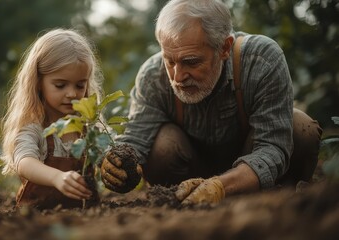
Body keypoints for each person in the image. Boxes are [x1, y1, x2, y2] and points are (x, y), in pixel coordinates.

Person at [100, 0, 322, 205]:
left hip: (252, 176)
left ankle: (280, 200)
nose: (177, 77)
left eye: (191, 62)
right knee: (161, 144)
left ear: (224, 48)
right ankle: (179, 200)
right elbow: (136, 140)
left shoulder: (261, 61)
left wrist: (221, 186)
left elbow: (273, 146)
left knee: (301, 129)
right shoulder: (152, 76)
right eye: (169, 60)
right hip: (186, 176)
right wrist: (116, 164)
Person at [0, 28, 103, 209]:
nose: (72, 93)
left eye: (80, 85)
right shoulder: (34, 128)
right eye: (60, 85)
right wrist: (56, 177)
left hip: (88, 219)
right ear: (38, 82)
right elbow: (24, 162)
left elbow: (107, 150)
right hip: (37, 220)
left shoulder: (89, 127)